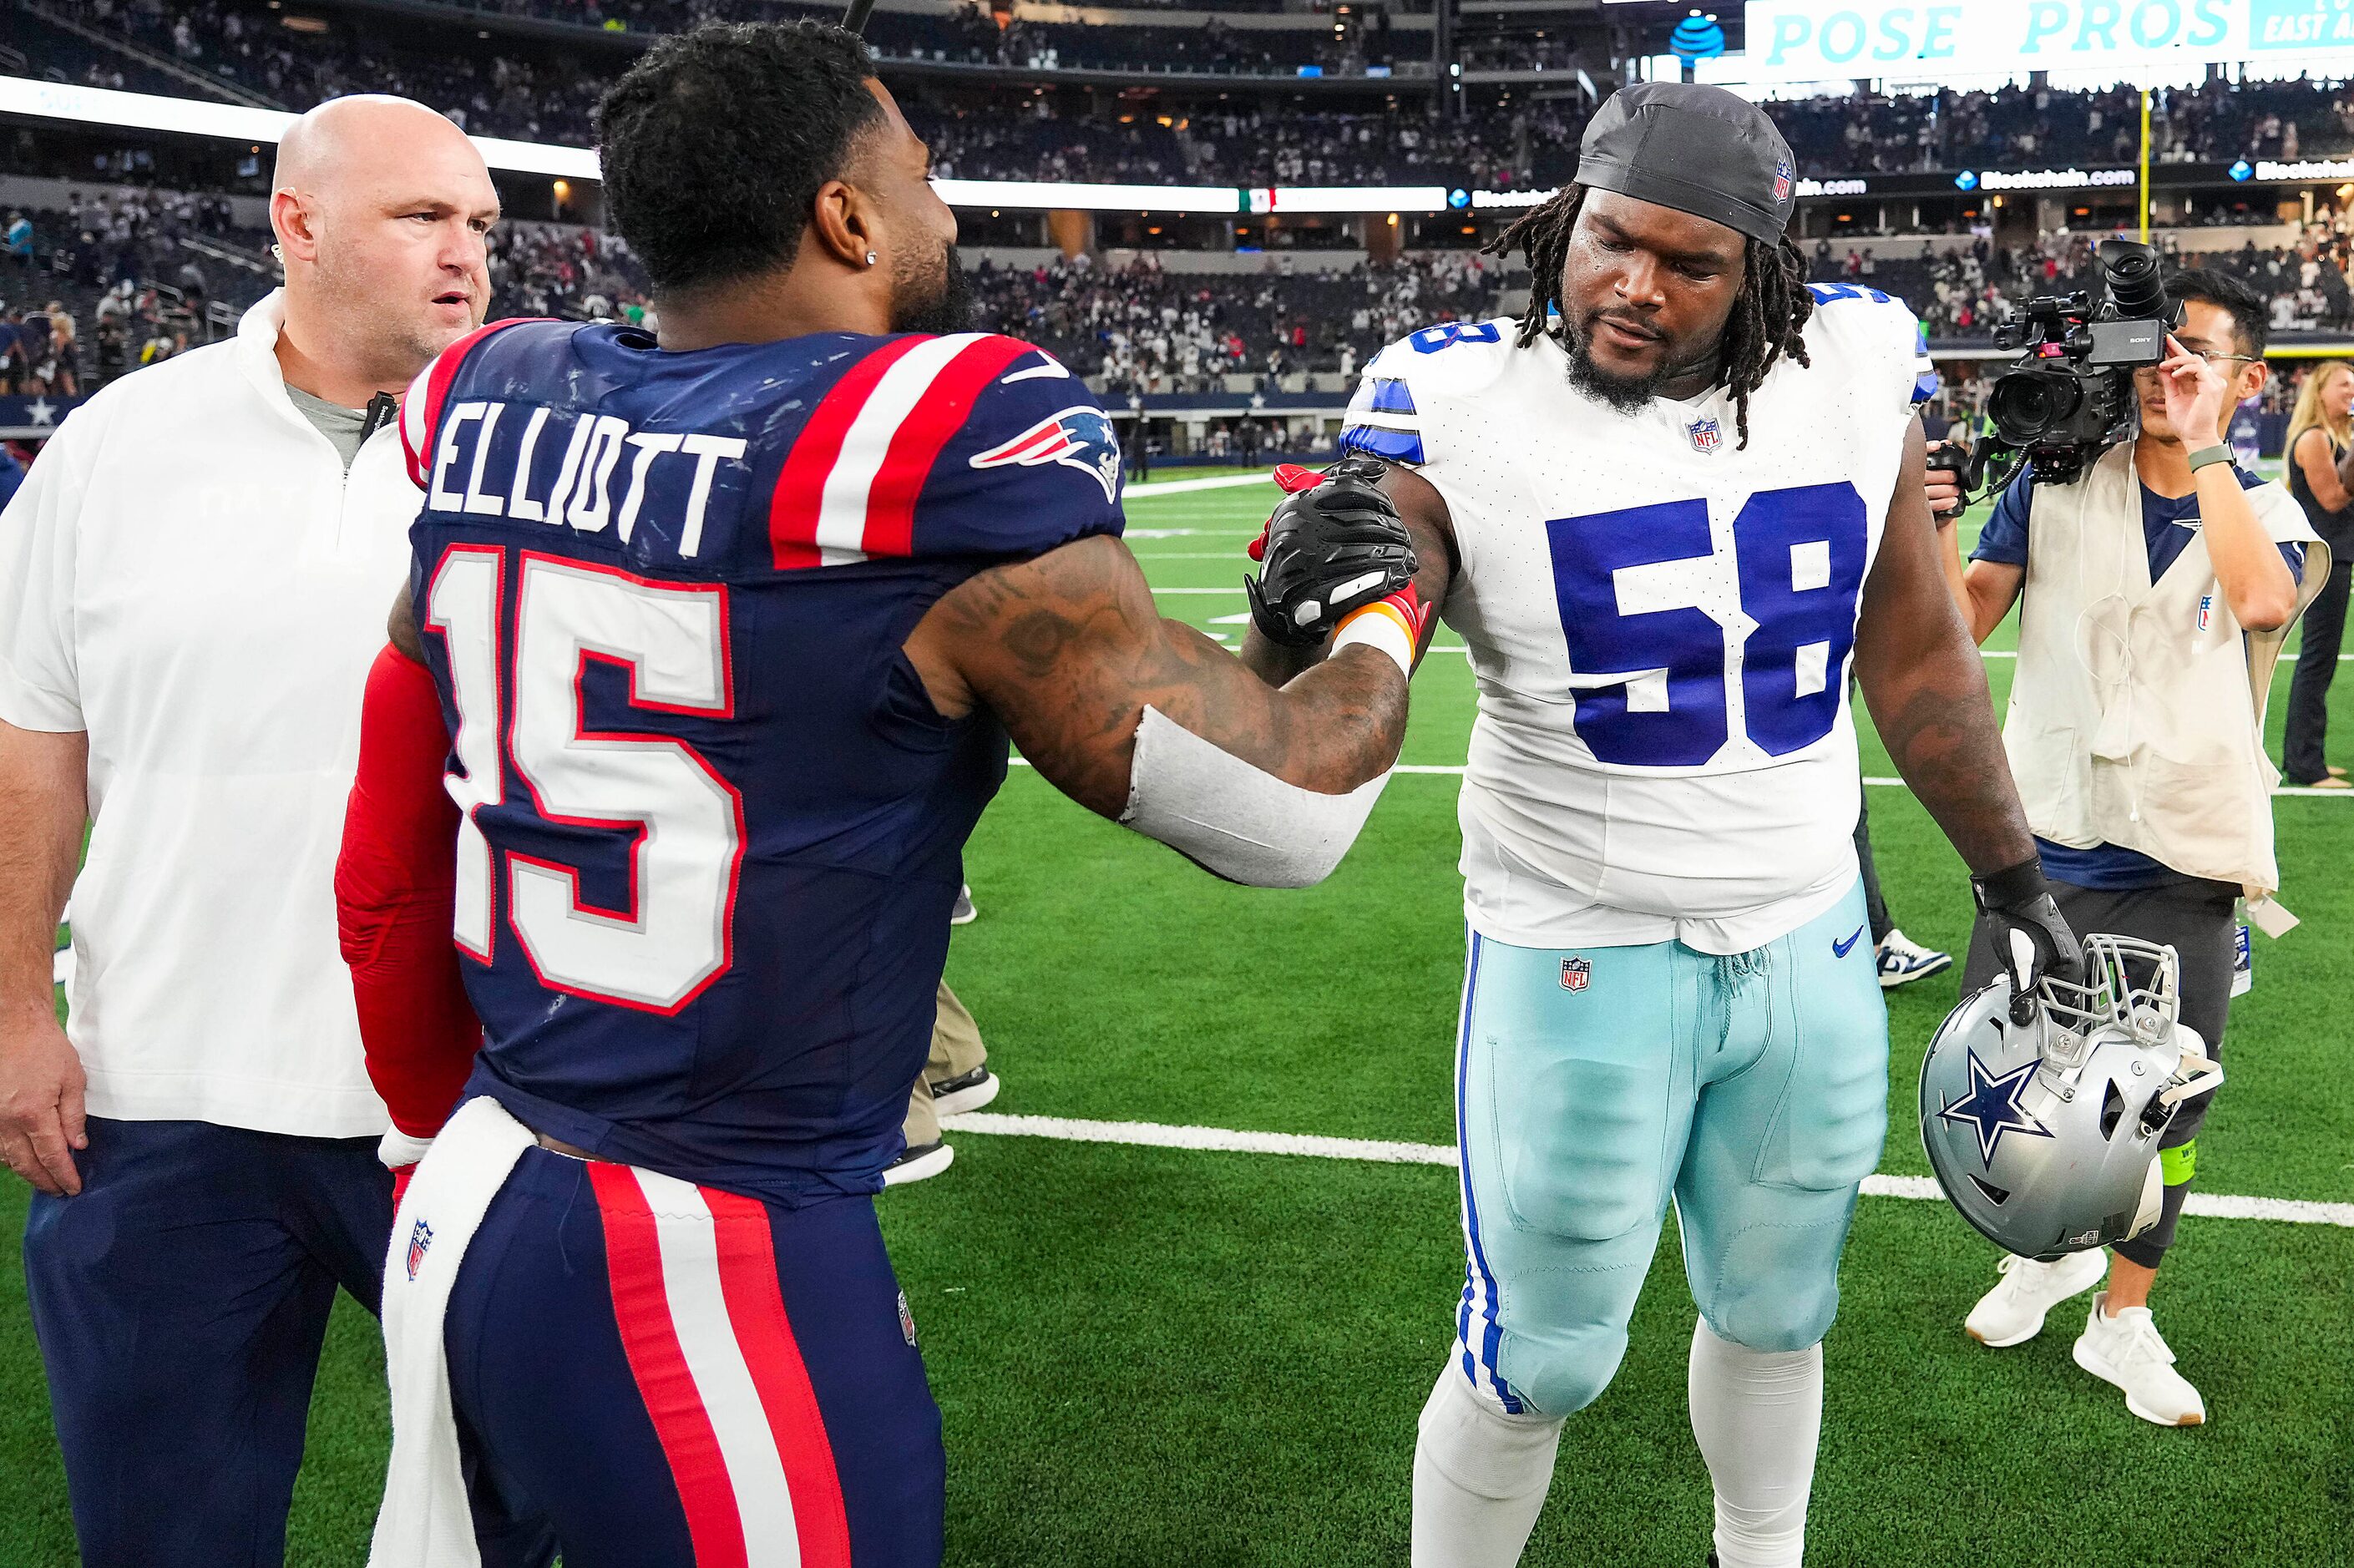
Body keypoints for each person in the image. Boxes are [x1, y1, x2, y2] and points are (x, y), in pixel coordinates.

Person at [335, 23, 1420, 1563]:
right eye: (917, 175)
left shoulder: (491, 396)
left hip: (482, 1184)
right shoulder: (921, 438)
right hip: (703, 1249)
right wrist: (1383, 616)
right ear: (843, 219)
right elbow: (1286, 814)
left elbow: (408, 708)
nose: (947, 213)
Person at [1257, 83, 2078, 1568]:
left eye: (1684, 263)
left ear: (1759, 271)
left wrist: (2010, 877)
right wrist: (1303, 610)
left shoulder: (1857, 362)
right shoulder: (1455, 396)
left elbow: (1911, 651)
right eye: (1606, 239)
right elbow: (1359, 641)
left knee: (1779, 1310)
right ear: (1563, 218)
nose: (1630, 284)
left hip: (1804, 944)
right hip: (1575, 947)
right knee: (1544, 1353)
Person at [0, 97, 551, 1565]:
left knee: (518, 1513)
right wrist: (8, 1013)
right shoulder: (117, 445)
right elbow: (32, 745)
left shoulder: (552, 461)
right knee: (164, 1537)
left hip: (485, 1100)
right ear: (295, 226)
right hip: (163, 1092)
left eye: (482, 225)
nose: (467, 255)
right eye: (422, 217)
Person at [1925, 269, 2318, 1427]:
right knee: (2007, 1075)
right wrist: (1938, 512)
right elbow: (1956, 635)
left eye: (2192, 355)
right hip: (2039, 837)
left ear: (2247, 381)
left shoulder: (2262, 505)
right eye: (2152, 350)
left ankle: (2121, 1318)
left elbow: (2256, 602)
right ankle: (2044, 1256)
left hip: (2183, 852)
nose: (2163, 371)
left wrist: (2201, 445)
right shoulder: (2048, 490)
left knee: (2162, 1107)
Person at [2280, 357, 2354, 788]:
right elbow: (2333, 499)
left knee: (2320, 662)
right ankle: (2305, 765)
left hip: (2334, 556)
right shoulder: (2313, 438)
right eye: (2344, 385)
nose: (2351, 391)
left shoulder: (2332, 438)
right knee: (2316, 661)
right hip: (2322, 559)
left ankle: (2309, 755)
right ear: (2320, 391)